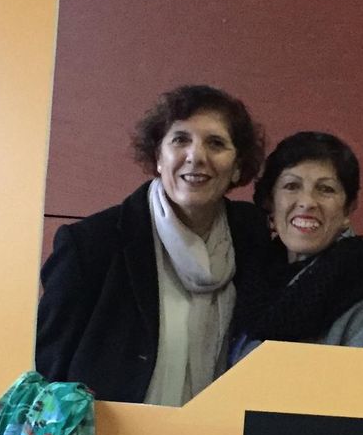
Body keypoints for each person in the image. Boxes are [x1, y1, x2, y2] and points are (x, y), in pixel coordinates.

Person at [35, 84, 270, 406]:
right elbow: (46, 370)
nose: (196, 156)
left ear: (238, 167)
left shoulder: (254, 240)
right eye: (180, 140)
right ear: (158, 156)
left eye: (216, 143)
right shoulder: (92, 244)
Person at [227, 132, 363, 364]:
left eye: (326, 189)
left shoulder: (362, 294)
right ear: (269, 202)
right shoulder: (251, 274)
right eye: (292, 186)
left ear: (348, 210)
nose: (307, 202)